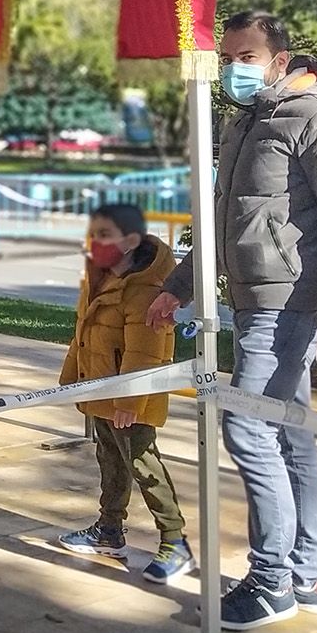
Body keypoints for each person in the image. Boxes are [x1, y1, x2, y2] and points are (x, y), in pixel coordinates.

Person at [149, 11, 317, 630]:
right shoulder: (252, 119)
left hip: (286, 304)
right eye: (229, 56)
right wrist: (179, 287)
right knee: (287, 433)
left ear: (281, 60)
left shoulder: (316, 115)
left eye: (247, 56)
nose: (233, 68)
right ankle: (309, 572)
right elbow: (232, 219)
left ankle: (272, 580)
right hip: (258, 296)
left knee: (249, 431)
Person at [56, 203, 192, 585]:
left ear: (131, 241)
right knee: (110, 459)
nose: (95, 243)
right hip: (101, 389)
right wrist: (71, 379)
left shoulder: (147, 287)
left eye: (105, 236)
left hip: (130, 400)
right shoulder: (98, 276)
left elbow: (145, 351)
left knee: (143, 465)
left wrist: (129, 401)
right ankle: (109, 530)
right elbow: (82, 332)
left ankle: (174, 540)